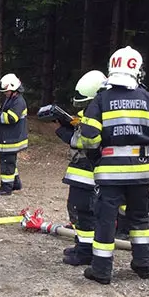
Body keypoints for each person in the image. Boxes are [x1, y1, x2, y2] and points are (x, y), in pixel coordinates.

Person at [78, 46, 149, 285]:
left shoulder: (101, 99)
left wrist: (96, 157)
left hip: (110, 174)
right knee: (139, 220)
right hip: (141, 172)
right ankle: (143, 265)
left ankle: (101, 270)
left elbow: (88, 136)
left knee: (106, 221)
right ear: (137, 70)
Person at [56, 70, 107, 266]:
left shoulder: (98, 113)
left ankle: (86, 252)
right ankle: (82, 245)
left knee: (84, 210)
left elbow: (86, 141)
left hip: (88, 170)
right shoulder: (98, 110)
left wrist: (65, 132)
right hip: (82, 170)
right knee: (78, 209)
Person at [0, 73, 28, 195]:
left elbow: (11, 118)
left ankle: (6, 188)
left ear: (14, 88)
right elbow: (3, 111)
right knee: (10, 162)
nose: (5, 93)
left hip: (12, 139)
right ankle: (15, 183)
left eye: (7, 91)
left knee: (7, 164)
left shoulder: (19, 102)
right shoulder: (11, 99)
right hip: (8, 137)